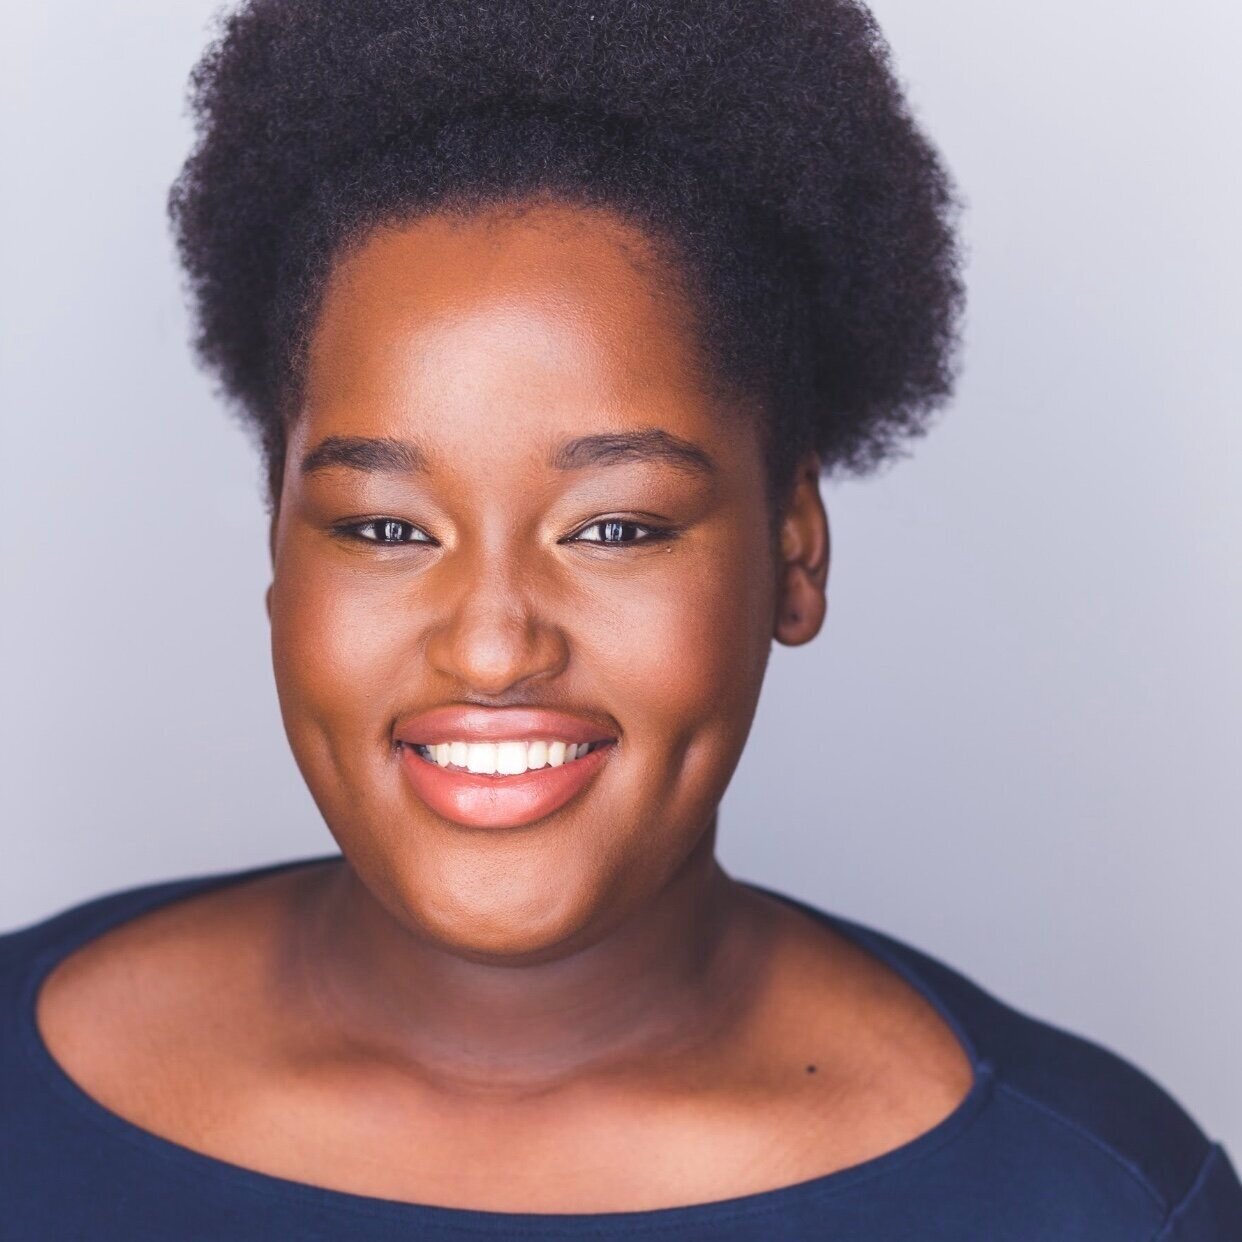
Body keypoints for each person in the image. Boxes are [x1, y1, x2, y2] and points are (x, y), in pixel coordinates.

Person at [2, 0, 1239, 1237]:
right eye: (384, 528)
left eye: (615, 528)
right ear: (280, 546)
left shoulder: (1097, 1203)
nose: (493, 648)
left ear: (795, 551)